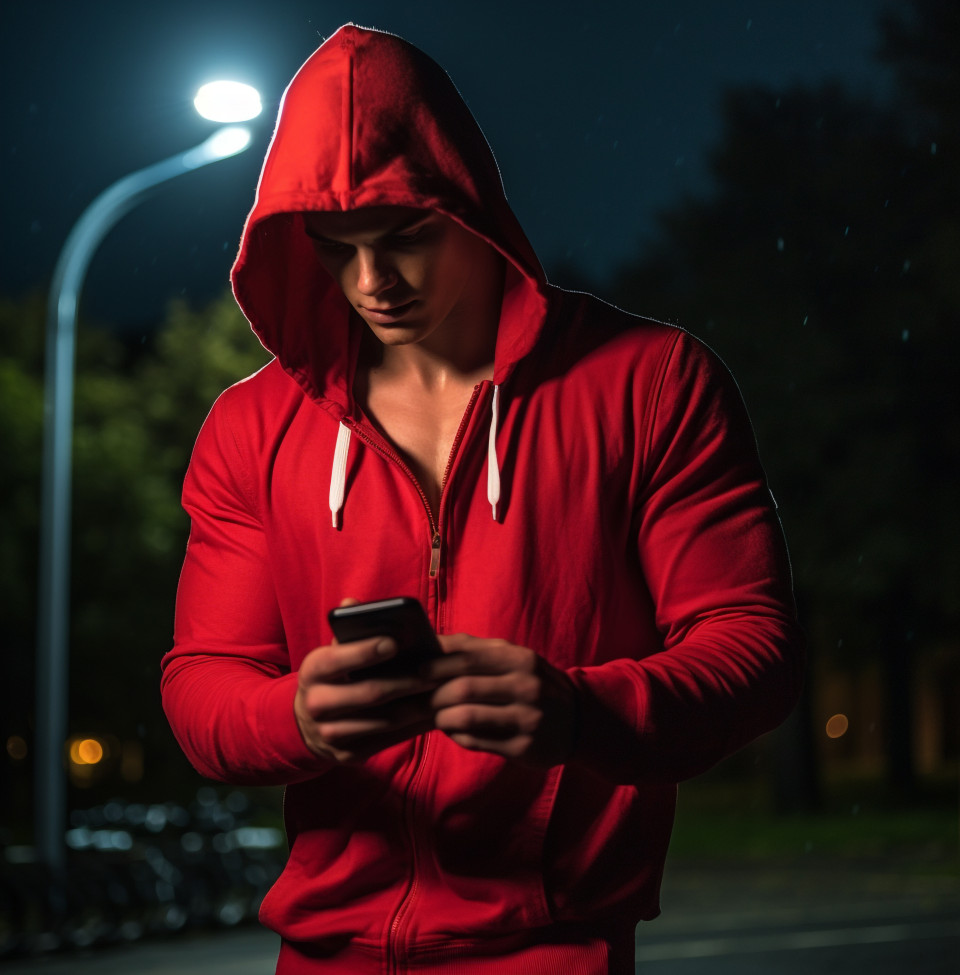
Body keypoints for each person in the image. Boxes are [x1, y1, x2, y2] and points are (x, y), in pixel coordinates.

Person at [161, 23, 803, 975]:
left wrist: (584, 713)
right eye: (337, 249)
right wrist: (295, 716)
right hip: (325, 952)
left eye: (406, 238)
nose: (373, 282)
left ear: (470, 210)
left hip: (555, 947)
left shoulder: (652, 381)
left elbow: (753, 645)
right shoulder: (250, 426)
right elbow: (202, 681)